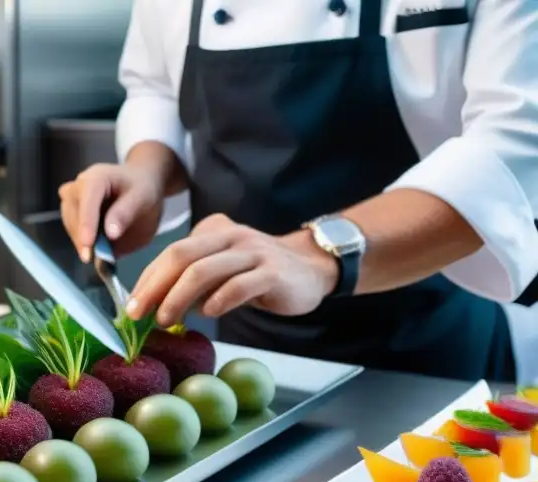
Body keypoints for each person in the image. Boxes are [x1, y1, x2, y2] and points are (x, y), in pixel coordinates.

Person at [59, 0, 538, 383]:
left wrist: (316, 255)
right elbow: (154, 87)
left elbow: (513, 142)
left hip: (431, 340)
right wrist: (147, 172)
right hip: (243, 340)